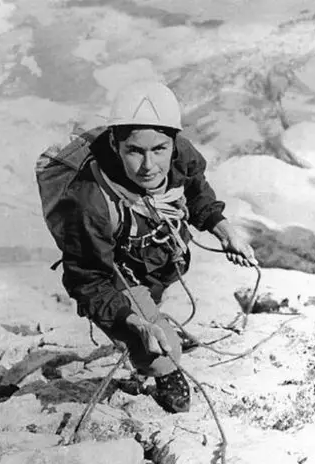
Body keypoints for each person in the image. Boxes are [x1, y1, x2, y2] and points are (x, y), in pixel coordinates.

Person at [57, 80, 257, 413]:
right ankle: (163, 371)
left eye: (158, 150)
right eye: (135, 151)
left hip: (158, 258)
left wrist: (225, 230)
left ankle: (154, 322)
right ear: (115, 144)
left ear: (172, 142)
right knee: (159, 347)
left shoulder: (181, 154)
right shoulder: (89, 202)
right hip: (116, 274)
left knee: (154, 318)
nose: (149, 165)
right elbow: (87, 281)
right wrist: (133, 322)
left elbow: (196, 193)